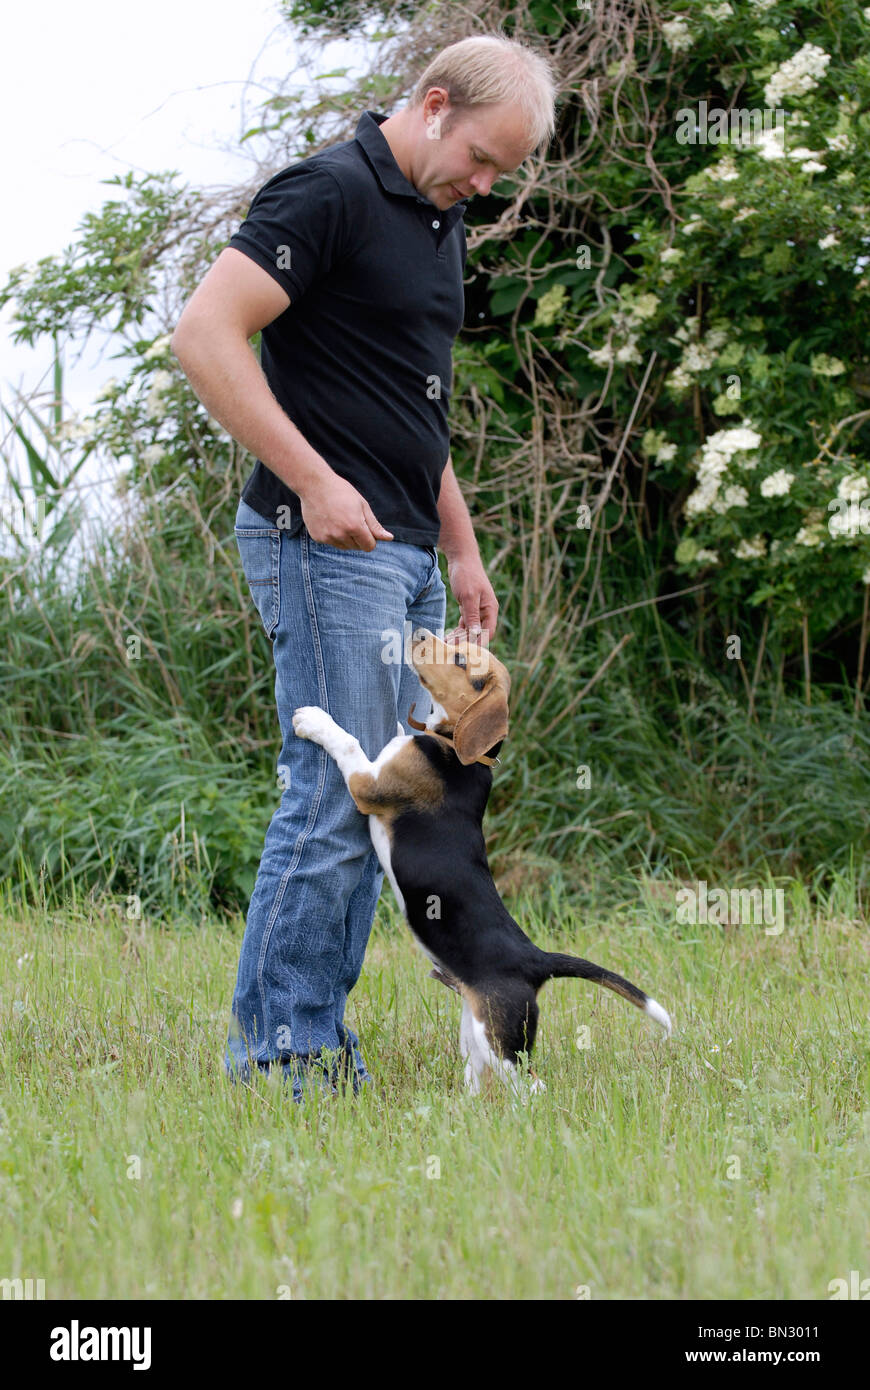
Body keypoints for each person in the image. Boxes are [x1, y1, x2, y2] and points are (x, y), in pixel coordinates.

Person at [171, 34, 556, 1100]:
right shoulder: (328, 192)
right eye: (483, 158)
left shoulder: (438, 220)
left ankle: (312, 1041)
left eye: (499, 174)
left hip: (406, 553)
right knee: (336, 800)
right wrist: (312, 479)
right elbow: (205, 335)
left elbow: (410, 405)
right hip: (323, 545)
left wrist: (463, 543)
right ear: (433, 105)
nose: (486, 185)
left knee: (404, 803)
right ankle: (285, 1055)